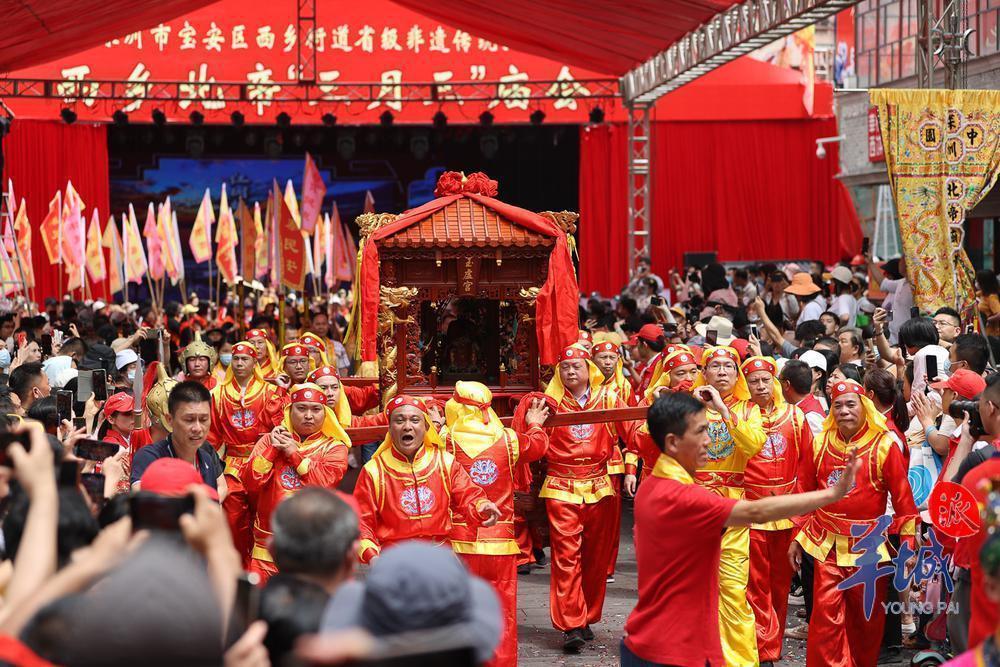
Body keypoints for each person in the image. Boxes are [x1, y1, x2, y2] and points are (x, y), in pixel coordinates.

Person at [621, 392, 859, 667]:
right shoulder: (681, 497)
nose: (710, 441)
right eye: (701, 432)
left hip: (656, 639)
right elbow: (756, 511)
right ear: (673, 442)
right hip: (674, 648)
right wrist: (833, 493)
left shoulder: (653, 486)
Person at [789, 379, 919, 667]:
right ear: (831, 410)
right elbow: (804, 493)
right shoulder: (820, 442)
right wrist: (798, 536)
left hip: (869, 546)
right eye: (838, 405)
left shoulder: (884, 445)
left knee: (866, 624)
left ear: (865, 407)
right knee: (824, 621)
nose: (844, 410)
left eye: (851, 404)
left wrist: (908, 544)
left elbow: (903, 501)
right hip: (827, 544)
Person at [444, 381, 549, 666]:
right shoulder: (508, 439)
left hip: (458, 542)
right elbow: (538, 446)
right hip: (500, 544)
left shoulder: (445, 439)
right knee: (502, 613)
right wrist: (535, 424)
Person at [353, 395, 501, 563]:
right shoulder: (374, 470)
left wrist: (482, 505)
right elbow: (361, 522)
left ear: (426, 426)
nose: (407, 426)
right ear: (390, 427)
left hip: (440, 556)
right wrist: (372, 557)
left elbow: (468, 495)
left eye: (415, 420)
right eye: (399, 421)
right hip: (394, 559)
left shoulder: (444, 462)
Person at [690, 345, 766, 667]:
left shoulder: (749, 409)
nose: (722, 372)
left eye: (729, 367)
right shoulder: (687, 408)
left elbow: (753, 444)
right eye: (715, 366)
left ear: (737, 375)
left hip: (732, 508)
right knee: (690, 588)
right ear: (704, 373)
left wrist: (722, 409)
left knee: (733, 588)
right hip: (693, 506)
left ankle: (739, 661)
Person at [311, 542, 502, 665]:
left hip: (413, 563)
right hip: (404, 564)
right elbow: (365, 521)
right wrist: (372, 554)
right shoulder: (377, 476)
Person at [238, 383, 352, 582]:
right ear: (290, 411)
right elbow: (250, 483)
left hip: (312, 545)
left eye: (316, 409)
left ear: (325, 414)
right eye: (301, 408)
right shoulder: (268, 441)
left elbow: (323, 484)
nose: (308, 415)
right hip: (266, 545)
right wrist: (273, 449)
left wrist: (293, 453)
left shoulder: (335, 447)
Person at [741, 355, 813, 664]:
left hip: (786, 513)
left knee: (780, 587)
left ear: (776, 384)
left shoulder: (795, 417)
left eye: (765, 380)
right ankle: (764, 649)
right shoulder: (741, 417)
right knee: (755, 585)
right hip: (753, 513)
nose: (760, 386)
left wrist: (802, 517)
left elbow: (807, 466)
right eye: (753, 381)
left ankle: (771, 644)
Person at [131, 381, 226, 494]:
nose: (197, 428)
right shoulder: (149, 457)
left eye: (203, 419)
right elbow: (141, 502)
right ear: (169, 420)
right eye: (189, 420)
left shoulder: (206, 459)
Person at [977, 270, 1000, 336]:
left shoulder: (992, 297)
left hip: (992, 334)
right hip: (984, 332)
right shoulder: (982, 293)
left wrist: (988, 320)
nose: (977, 283)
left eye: (978, 281)